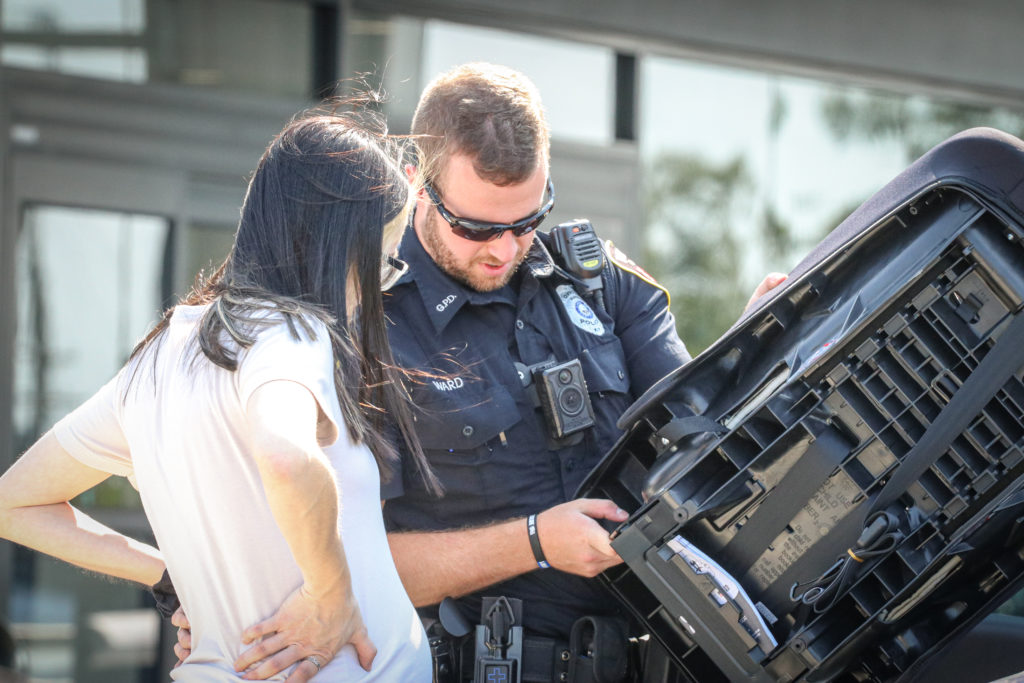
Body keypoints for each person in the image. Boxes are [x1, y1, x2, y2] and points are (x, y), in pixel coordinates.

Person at [175, 63, 785, 682]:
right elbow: (349, 562)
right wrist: (534, 541)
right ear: (417, 184)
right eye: (475, 228)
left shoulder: (601, 284)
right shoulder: (363, 324)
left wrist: (751, 362)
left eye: (527, 222)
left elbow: (695, 443)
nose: (504, 249)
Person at [0, 106, 436, 681]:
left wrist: (171, 577)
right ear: (337, 247)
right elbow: (285, 456)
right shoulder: (290, 333)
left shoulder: (156, 361)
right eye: (382, 261)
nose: (378, 288)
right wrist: (330, 598)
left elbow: (15, 503)